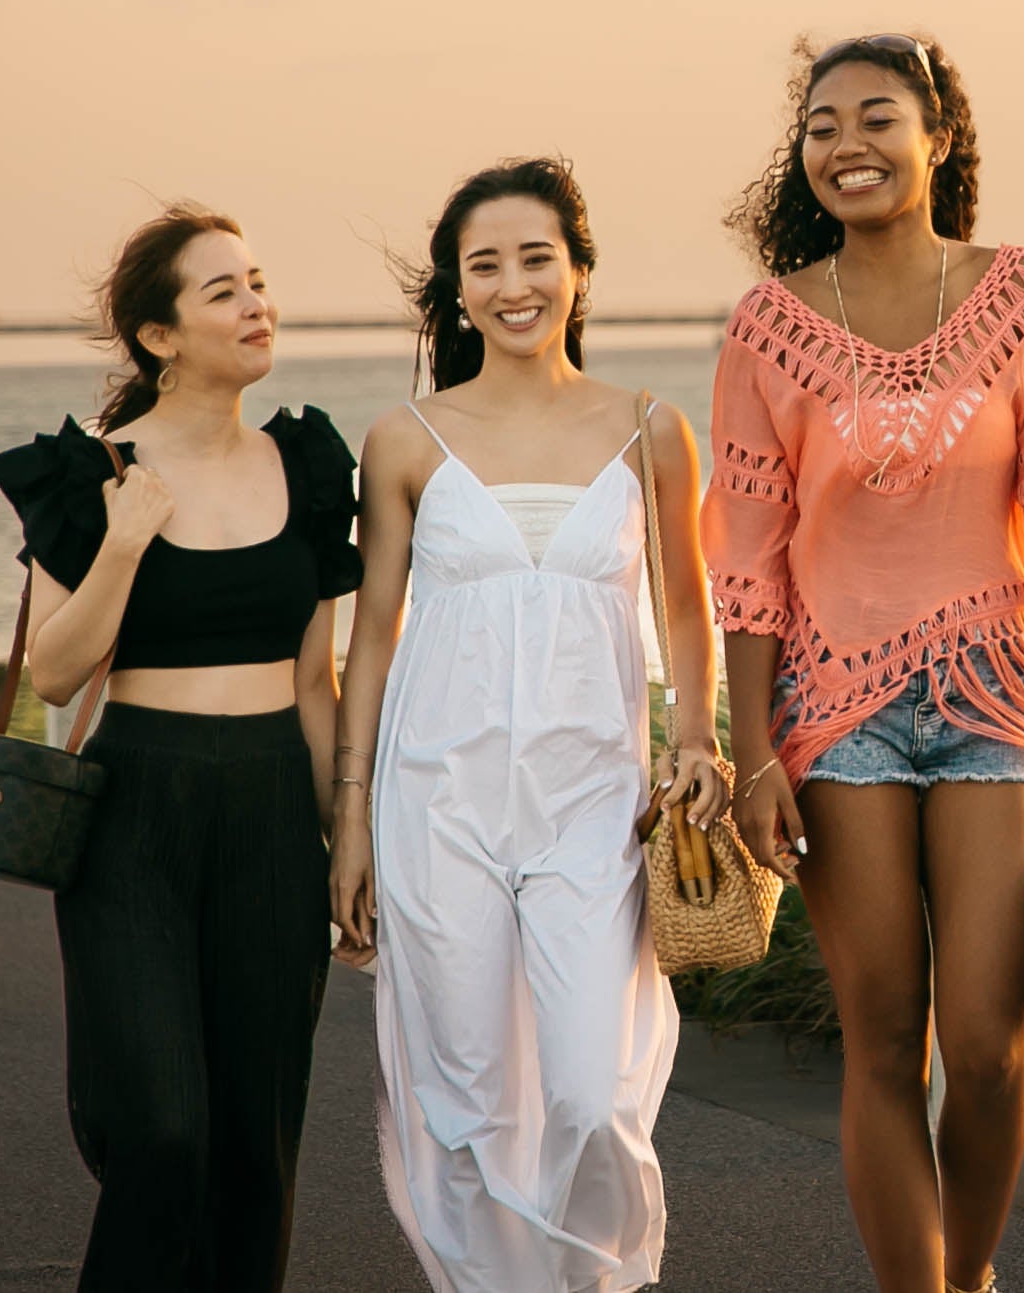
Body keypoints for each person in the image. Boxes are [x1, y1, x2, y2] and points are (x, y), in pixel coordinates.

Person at [708, 33, 1024, 1293]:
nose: (848, 144)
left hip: (995, 698)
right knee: (884, 1037)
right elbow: (745, 559)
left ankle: (970, 1272)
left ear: (936, 137)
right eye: (822, 125)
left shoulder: (1017, 292)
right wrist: (751, 758)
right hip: (834, 715)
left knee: (989, 1042)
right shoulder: (770, 327)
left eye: (877, 117)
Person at [330, 157, 722, 1293]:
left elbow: (685, 613)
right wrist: (349, 820)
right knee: (462, 1101)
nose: (514, 284)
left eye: (536, 258)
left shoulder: (651, 427)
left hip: (594, 805)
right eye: (484, 264)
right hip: (434, 801)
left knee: (591, 1095)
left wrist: (695, 740)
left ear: (580, 271)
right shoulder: (403, 438)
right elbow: (371, 642)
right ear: (456, 292)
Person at [0, 206, 356, 1292]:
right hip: (135, 806)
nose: (257, 305)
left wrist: (346, 835)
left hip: (276, 809)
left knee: (254, 1148)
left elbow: (316, 676)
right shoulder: (91, 472)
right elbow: (55, 672)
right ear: (158, 336)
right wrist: (124, 540)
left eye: (258, 282)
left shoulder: (308, 460)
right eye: (224, 291)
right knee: (160, 1132)